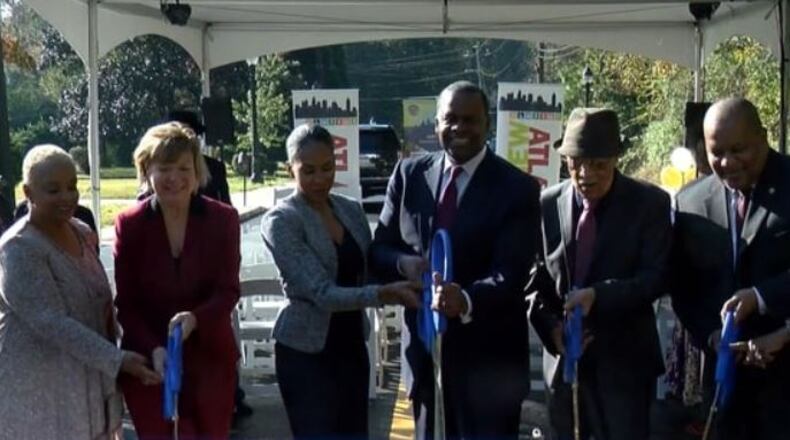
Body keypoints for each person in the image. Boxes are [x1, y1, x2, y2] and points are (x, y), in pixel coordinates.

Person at [370, 81, 541, 439]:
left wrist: (464, 299)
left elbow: (511, 272)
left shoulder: (518, 188)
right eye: (451, 119)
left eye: (470, 120)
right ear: (436, 124)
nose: (460, 128)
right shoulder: (408, 175)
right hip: (425, 357)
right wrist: (405, 264)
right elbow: (379, 249)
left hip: (489, 367)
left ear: (487, 124)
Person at [261, 124, 421, 439]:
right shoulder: (281, 220)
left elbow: (367, 267)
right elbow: (322, 293)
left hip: (350, 347)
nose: (320, 179)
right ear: (289, 169)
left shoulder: (349, 209)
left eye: (327, 168)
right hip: (305, 353)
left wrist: (406, 267)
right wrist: (384, 294)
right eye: (308, 171)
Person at [527, 108, 672, 440]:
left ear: (616, 158)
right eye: (575, 163)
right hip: (564, 367)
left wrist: (599, 296)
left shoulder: (649, 204)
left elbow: (656, 277)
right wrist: (551, 328)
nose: (585, 174)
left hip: (624, 368)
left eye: (598, 165)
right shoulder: (548, 203)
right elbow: (534, 281)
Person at [0, 144, 159, 439]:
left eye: (72, 186)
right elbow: (50, 321)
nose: (67, 197)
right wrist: (117, 359)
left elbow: (101, 305)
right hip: (38, 396)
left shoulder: (83, 233)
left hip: (86, 385)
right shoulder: (18, 248)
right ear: (28, 192)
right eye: (53, 189)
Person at [671, 97, 790, 439]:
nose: (727, 162)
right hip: (725, 389)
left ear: (764, 137)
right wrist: (710, 334)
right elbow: (683, 286)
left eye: (739, 150)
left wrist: (762, 298)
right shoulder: (689, 202)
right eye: (716, 152)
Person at [114, 122, 241, 439]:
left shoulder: (224, 220)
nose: (174, 178)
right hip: (150, 363)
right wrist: (154, 347)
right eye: (164, 168)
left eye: (184, 168)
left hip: (211, 358)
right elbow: (126, 304)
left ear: (197, 171)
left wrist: (195, 319)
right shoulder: (129, 225)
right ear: (147, 171)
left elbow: (228, 291)